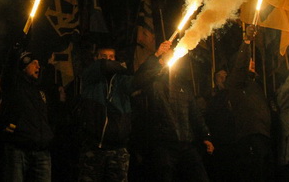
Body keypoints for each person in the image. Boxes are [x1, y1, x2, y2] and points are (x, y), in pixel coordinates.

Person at [131, 40, 214, 182]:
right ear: (161, 62)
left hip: (186, 144)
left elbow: (194, 113)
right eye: (167, 57)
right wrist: (156, 55)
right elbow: (138, 78)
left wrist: (206, 136)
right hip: (163, 145)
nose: (173, 60)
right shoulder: (152, 83)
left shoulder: (183, 85)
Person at [75, 45, 132, 182]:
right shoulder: (91, 77)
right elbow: (104, 66)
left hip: (118, 149)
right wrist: (123, 68)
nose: (108, 60)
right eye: (103, 57)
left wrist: (156, 60)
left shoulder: (121, 81)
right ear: (96, 58)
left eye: (111, 57)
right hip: (94, 147)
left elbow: (139, 81)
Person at [0, 40, 53, 182]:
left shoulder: (40, 90)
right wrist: (14, 52)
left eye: (38, 63)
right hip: (19, 149)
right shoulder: (13, 86)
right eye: (34, 63)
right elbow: (9, 70)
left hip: (42, 151)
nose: (38, 66)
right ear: (24, 66)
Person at [224, 25, 273, 182]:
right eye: (248, 60)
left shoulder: (255, 85)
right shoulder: (236, 82)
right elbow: (240, 66)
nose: (252, 62)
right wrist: (246, 41)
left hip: (263, 136)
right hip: (249, 136)